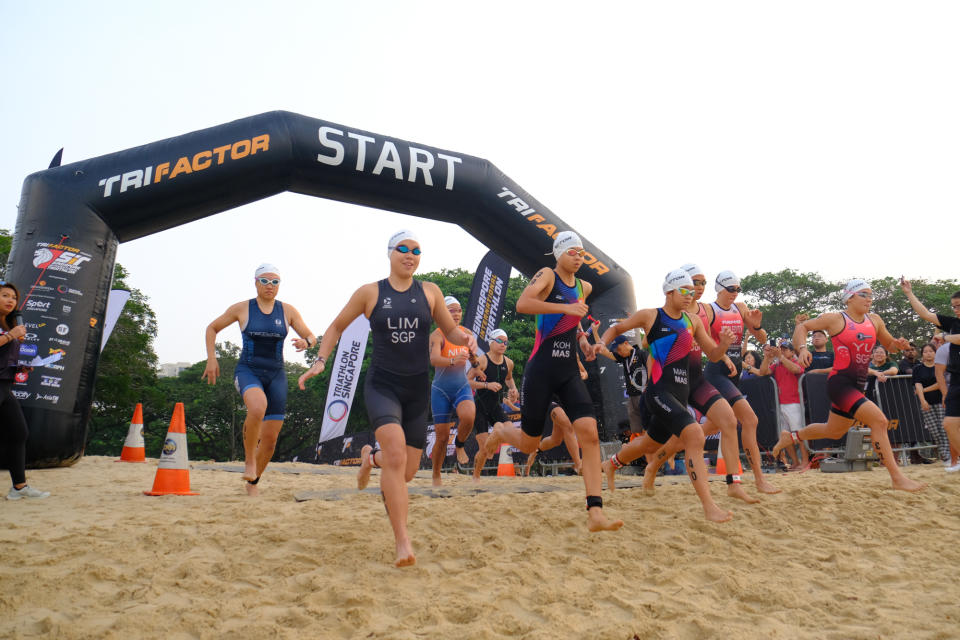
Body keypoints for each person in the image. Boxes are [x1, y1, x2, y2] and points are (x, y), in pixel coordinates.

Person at [298, 230, 476, 566]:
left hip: (416, 389)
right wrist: (320, 361)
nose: (410, 255)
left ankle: (370, 458)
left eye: (417, 250)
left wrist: (467, 344)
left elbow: (450, 332)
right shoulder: (370, 293)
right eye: (403, 249)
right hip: (383, 386)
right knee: (396, 455)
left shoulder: (430, 292)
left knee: (406, 470)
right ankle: (402, 542)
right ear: (390, 253)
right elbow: (336, 326)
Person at [475, 231, 622, 532]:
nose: (578, 256)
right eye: (572, 252)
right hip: (541, 368)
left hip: (568, 369)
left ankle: (595, 511)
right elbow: (523, 304)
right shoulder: (547, 275)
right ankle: (503, 431)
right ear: (558, 255)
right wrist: (566, 308)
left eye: (581, 252)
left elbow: (574, 319)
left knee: (589, 434)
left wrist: (582, 340)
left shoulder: (585, 286)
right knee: (529, 444)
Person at [595, 268, 737, 523]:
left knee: (650, 444)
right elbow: (617, 330)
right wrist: (600, 343)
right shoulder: (651, 316)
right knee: (694, 434)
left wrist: (724, 345)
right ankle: (709, 506)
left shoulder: (692, 321)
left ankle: (612, 464)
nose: (689, 296)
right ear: (669, 292)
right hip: (658, 392)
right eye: (684, 291)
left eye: (692, 293)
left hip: (679, 394)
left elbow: (712, 354)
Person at [772, 279, 925, 491]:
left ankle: (792, 436)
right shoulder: (836, 319)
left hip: (858, 384)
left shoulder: (875, 320)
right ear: (850, 297)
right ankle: (897, 478)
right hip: (840, 383)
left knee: (833, 431)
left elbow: (889, 344)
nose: (869, 299)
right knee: (879, 422)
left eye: (871, 295)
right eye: (864, 294)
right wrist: (802, 348)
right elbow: (803, 326)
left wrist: (898, 345)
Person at [640, 264, 759, 504]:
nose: (699, 288)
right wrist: (650, 383)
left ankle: (734, 482)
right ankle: (651, 465)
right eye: (694, 283)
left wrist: (725, 354)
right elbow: (649, 347)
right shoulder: (667, 314)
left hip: (697, 378)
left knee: (727, 422)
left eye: (703, 283)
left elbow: (713, 345)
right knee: (675, 439)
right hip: (671, 384)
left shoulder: (706, 311)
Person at [202, 264, 315, 496]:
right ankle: (248, 461)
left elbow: (311, 336)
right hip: (248, 370)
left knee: (271, 440)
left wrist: (307, 343)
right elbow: (212, 328)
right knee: (257, 407)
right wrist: (211, 358)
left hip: (276, 375)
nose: (270, 286)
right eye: (265, 281)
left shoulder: (287, 311)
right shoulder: (242, 308)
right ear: (255, 282)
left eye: (275, 282)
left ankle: (253, 483)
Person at [701, 270, 779, 494]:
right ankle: (753, 481)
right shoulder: (709, 309)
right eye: (731, 289)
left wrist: (755, 326)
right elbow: (707, 344)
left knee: (703, 430)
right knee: (750, 419)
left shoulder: (741, 307)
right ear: (719, 288)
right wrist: (724, 354)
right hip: (716, 372)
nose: (735, 293)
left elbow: (762, 338)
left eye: (738, 289)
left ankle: (656, 462)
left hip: (733, 375)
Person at [900, 279, 960, 472]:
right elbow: (925, 314)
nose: (956, 309)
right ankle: (955, 460)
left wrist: (944, 337)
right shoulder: (953, 323)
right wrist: (909, 293)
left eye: (959, 306)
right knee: (949, 425)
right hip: (956, 380)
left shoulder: (949, 333)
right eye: (954, 307)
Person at [0, 281, 49, 500]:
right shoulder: (11, 331)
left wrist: (21, 366)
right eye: (4, 295)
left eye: (13, 297)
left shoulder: (8, 324)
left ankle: (19, 487)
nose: (10, 300)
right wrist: (11, 336)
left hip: (5, 384)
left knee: (19, 432)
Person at [428, 296, 477, 485]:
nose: (456, 314)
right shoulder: (437, 335)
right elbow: (434, 360)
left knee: (469, 416)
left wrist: (476, 365)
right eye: (451, 311)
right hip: (440, 389)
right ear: (443, 314)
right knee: (441, 438)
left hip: (460, 386)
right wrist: (451, 361)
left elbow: (473, 357)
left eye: (459, 310)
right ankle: (436, 475)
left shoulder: (466, 333)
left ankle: (460, 445)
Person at [468, 328, 519, 475]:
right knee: (486, 451)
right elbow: (466, 381)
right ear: (491, 342)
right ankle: (476, 475)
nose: (503, 344)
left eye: (506, 342)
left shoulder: (509, 363)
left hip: (495, 407)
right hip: (480, 407)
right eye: (499, 341)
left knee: (509, 431)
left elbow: (509, 378)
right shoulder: (482, 361)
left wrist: (513, 389)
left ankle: (497, 430)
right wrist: (486, 385)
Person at [758, 341, 808, 469]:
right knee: (784, 435)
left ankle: (805, 462)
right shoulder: (777, 365)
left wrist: (780, 357)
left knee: (800, 434)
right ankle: (796, 462)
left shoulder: (796, 362)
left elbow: (796, 369)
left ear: (792, 352)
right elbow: (763, 371)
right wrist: (767, 357)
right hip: (780, 404)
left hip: (795, 403)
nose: (782, 351)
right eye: (781, 349)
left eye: (785, 350)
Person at [913, 343, 951, 466]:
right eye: (925, 351)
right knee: (935, 431)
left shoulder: (940, 367)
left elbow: (941, 382)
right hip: (926, 403)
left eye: (931, 351)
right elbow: (917, 384)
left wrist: (924, 390)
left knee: (944, 429)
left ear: (935, 353)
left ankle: (947, 456)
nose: (928, 353)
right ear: (922, 354)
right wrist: (922, 400)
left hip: (941, 401)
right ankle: (945, 455)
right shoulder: (918, 369)